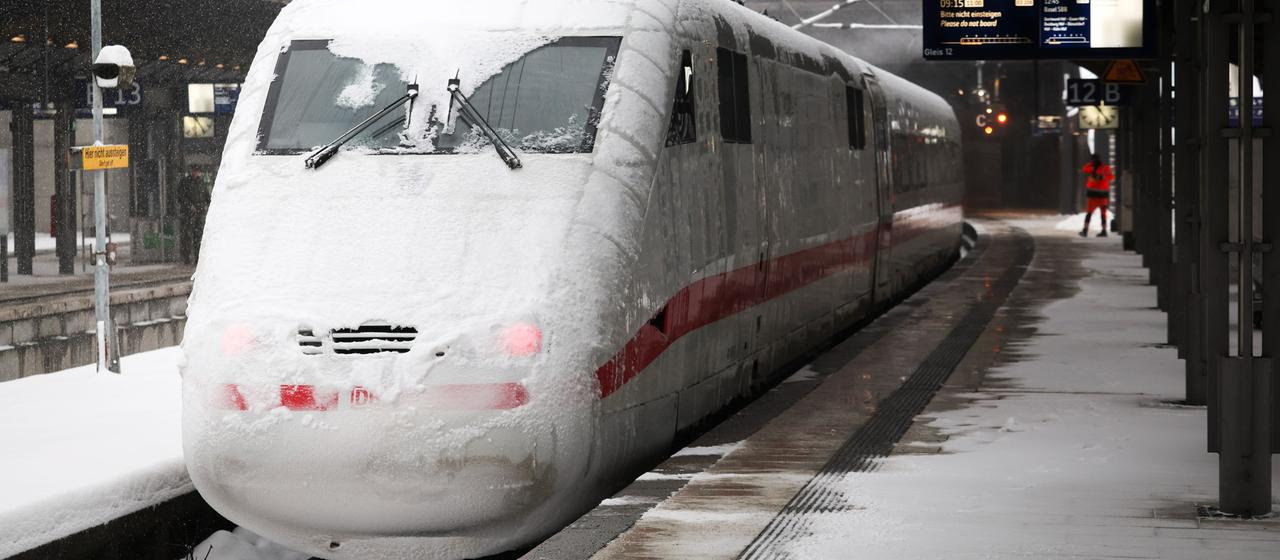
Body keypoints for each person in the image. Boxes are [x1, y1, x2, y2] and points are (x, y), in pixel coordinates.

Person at [1080, 154, 1114, 238]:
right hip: (1102, 196)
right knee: (1103, 213)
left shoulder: (1097, 168)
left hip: (1094, 195)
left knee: (1090, 213)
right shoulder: (1105, 168)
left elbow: (1084, 169)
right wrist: (1103, 176)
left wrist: (1100, 175)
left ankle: (1085, 230)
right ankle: (1104, 230)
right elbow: (1111, 177)